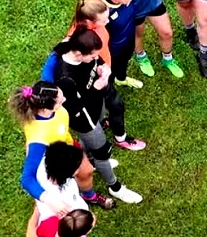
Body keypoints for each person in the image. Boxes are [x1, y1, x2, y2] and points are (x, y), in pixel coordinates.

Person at [41, 0, 146, 152]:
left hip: (102, 71)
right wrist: (49, 91)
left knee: (102, 106)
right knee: (116, 105)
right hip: (94, 79)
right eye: (103, 20)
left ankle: (102, 121)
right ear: (90, 22)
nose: (108, 21)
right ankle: (121, 139)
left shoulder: (90, 18)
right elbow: (54, 62)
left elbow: (96, 0)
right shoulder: (77, 39)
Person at [51, 30, 144, 204]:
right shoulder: (66, 78)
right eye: (92, 56)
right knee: (102, 151)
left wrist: (104, 67)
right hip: (85, 120)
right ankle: (115, 187)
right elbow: (77, 108)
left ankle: (92, 161)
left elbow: (97, 61)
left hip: (95, 106)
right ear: (78, 54)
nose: (95, 58)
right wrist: (97, 87)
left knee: (93, 147)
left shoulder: (83, 52)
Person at [9, 81, 114, 230]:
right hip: (59, 164)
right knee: (86, 171)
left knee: (88, 170)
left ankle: (88, 193)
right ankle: (90, 196)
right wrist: (50, 200)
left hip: (69, 148)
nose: (64, 99)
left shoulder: (50, 104)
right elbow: (27, 178)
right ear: (46, 109)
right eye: (60, 100)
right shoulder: (37, 139)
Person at [100, 0, 144, 90]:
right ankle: (109, 89)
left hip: (129, 41)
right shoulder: (103, 13)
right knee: (111, 71)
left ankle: (121, 79)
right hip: (114, 50)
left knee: (124, 62)